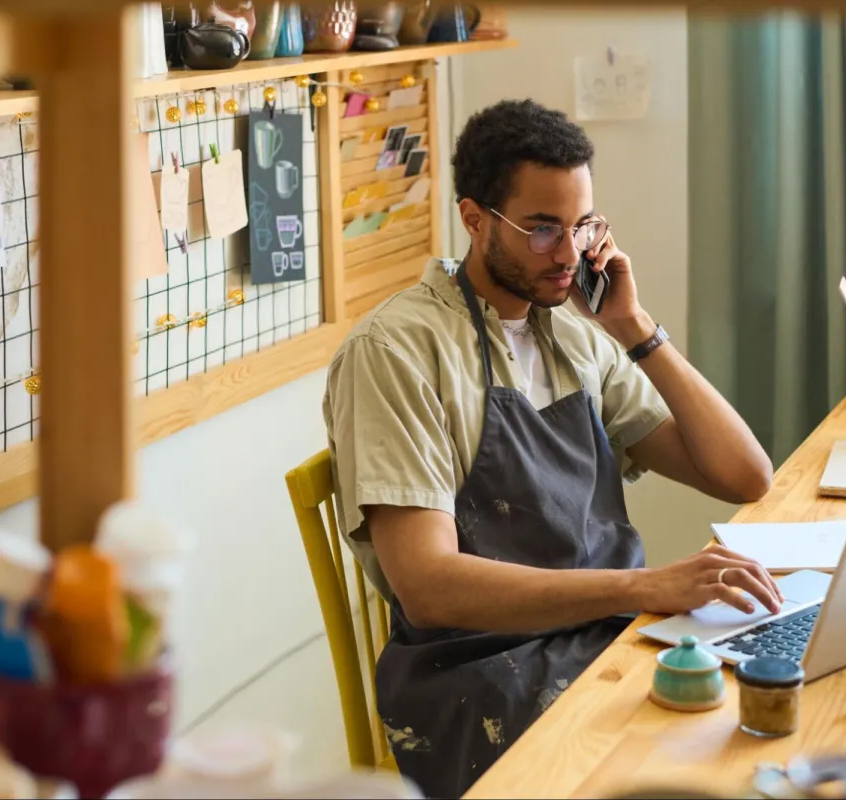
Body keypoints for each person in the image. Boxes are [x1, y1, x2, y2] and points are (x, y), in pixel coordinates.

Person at [323, 99, 779, 798]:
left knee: (758, 735)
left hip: (607, 638)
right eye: (541, 230)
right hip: (479, 677)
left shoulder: (574, 333)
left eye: (581, 227)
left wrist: (636, 329)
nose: (568, 255)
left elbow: (744, 475)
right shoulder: (396, 352)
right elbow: (430, 585)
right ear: (474, 218)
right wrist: (645, 587)